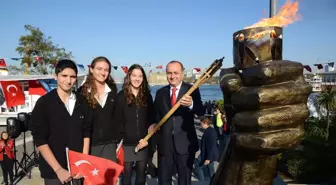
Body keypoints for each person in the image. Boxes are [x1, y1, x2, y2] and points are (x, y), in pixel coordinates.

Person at [30, 59, 93, 185]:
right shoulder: (44, 103)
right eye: (64, 76)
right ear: (56, 76)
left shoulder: (82, 102)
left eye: (72, 77)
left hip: (77, 169)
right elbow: (40, 139)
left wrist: (83, 162)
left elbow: (87, 132)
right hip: (54, 172)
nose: (68, 81)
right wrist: (58, 169)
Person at [149, 60, 205, 185]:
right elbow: (155, 115)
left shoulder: (192, 90)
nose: (172, 76)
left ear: (182, 74)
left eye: (175, 73)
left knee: (184, 181)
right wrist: (153, 123)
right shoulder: (160, 93)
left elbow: (201, 111)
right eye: (169, 73)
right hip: (164, 144)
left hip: (185, 144)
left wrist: (191, 104)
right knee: (163, 180)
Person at [114, 64, 153, 185]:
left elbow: (151, 119)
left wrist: (148, 138)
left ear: (143, 78)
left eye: (140, 76)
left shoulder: (147, 96)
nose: (137, 79)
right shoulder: (120, 97)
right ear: (129, 77)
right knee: (126, 178)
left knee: (141, 177)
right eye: (134, 75)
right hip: (126, 144)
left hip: (143, 142)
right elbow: (117, 121)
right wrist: (120, 140)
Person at [78, 56, 119, 162]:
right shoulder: (82, 93)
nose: (103, 73)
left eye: (106, 70)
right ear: (91, 69)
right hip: (90, 145)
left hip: (110, 144)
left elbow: (117, 117)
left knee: (110, 178)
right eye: (99, 69)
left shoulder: (113, 91)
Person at [195, 117, 218, 181]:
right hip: (208, 154)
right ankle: (213, 180)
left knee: (198, 167)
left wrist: (208, 158)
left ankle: (202, 181)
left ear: (205, 123)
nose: (200, 125)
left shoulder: (210, 132)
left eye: (201, 124)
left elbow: (211, 146)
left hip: (208, 155)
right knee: (210, 168)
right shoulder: (210, 130)